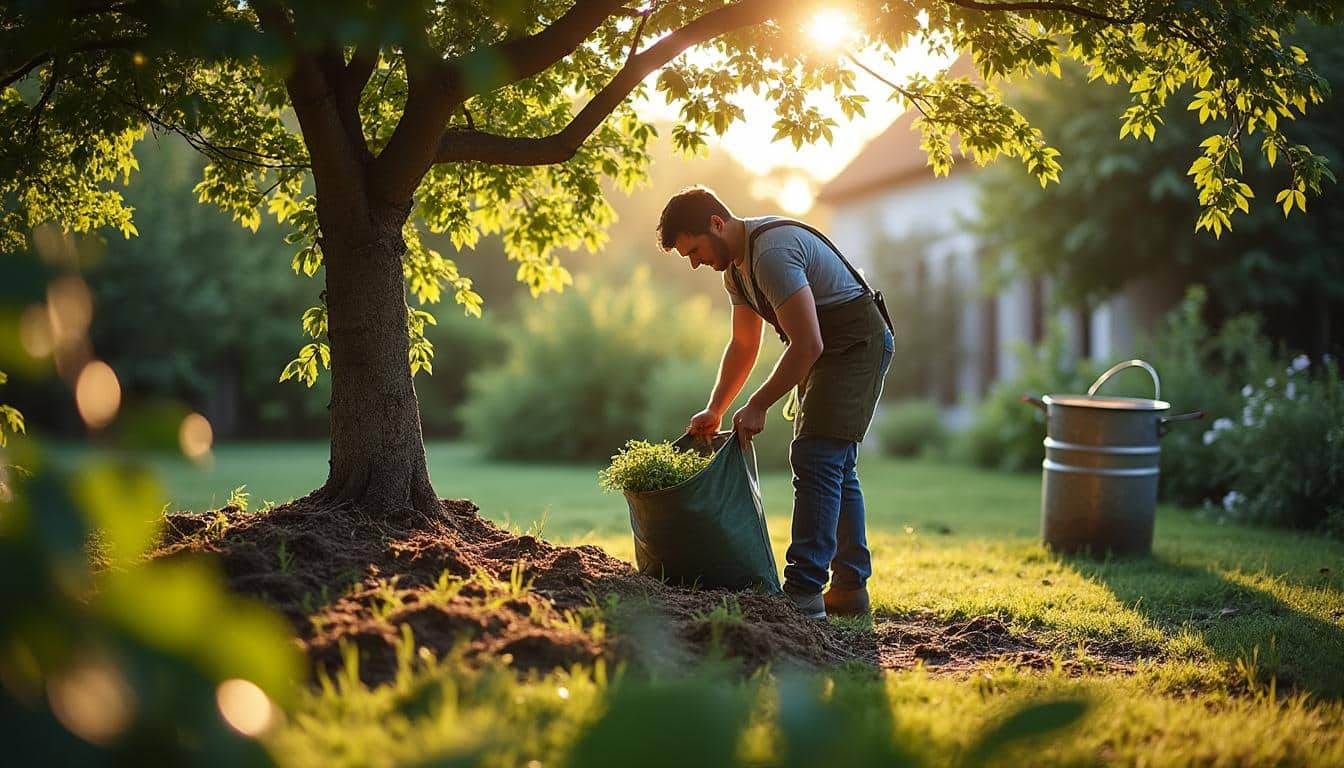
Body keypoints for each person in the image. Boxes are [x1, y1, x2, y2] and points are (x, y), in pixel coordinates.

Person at [655, 185, 894, 620]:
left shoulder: (771, 253)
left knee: (816, 456)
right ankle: (849, 590)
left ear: (716, 224)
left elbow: (807, 343)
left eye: (694, 250)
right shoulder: (736, 271)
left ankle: (803, 593)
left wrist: (760, 403)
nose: (695, 264)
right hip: (829, 347)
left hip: (857, 342)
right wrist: (717, 408)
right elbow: (744, 344)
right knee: (835, 465)